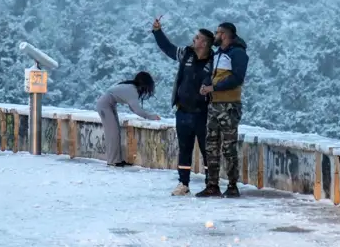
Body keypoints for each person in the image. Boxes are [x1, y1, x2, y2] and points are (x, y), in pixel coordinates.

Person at [151, 16, 215, 196]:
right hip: (183, 111)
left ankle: (211, 183)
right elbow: (168, 48)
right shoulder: (186, 53)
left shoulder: (214, 61)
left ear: (204, 43)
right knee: (184, 148)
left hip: (204, 113)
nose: (193, 40)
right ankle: (183, 183)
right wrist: (157, 32)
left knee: (207, 150)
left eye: (197, 38)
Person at [196, 21, 249, 198]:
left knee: (228, 147)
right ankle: (212, 184)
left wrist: (214, 88)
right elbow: (211, 74)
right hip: (214, 105)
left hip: (229, 106)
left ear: (225, 35)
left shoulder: (238, 53)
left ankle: (233, 185)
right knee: (211, 146)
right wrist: (205, 86)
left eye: (217, 33)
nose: (215, 36)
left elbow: (237, 78)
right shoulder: (218, 54)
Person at [95, 71, 161, 167]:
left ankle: (116, 160)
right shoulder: (132, 91)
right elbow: (137, 109)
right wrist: (151, 116)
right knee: (113, 134)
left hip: (108, 104)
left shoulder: (130, 87)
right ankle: (113, 161)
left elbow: (133, 107)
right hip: (105, 105)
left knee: (115, 133)